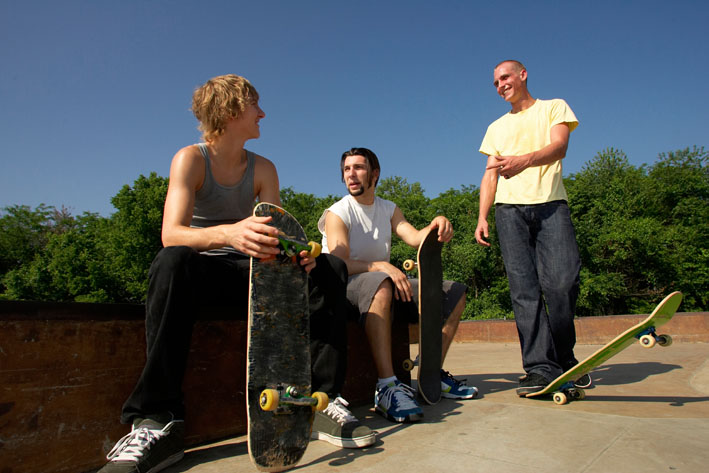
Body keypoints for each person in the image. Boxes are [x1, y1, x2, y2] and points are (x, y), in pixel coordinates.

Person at [99, 75, 374, 473]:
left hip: (257, 277)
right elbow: (171, 233)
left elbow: (276, 232)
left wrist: (297, 254)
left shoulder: (264, 168)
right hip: (208, 272)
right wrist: (229, 233)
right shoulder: (190, 159)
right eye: (255, 106)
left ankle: (323, 401)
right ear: (230, 112)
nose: (262, 113)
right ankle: (158, 421)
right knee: (171, 261)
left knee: (330, 266)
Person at [318, 147, 478, 424]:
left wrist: (437, 223)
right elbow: (338, 262)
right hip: (344, 287)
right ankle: (387, 386)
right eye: (346, 169)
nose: (351, 175)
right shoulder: (338, 213)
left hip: (382, 283)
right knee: (381, 282)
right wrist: (380, 266)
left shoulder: (388, 209)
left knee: (454, 293)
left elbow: (415, 238)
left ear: (374, 174)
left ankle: (431, 373)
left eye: (358, 168)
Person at [474, 60, 590, 396]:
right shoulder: (495, 128)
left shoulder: (554, 107)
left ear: (523, 75)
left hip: (552, 205)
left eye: (505, 77)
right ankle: (540, 367)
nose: (500, 85)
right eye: (495, 82)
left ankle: (564, 357)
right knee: (524, 292)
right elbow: (489, 174)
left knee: (562, 283)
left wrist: (522, 161)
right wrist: (482, 217)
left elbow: (560, 147)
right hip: (508, 212)